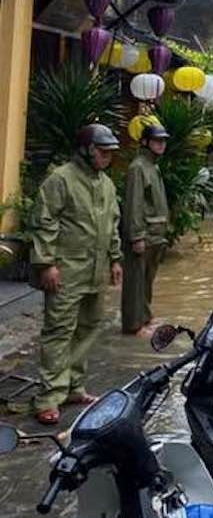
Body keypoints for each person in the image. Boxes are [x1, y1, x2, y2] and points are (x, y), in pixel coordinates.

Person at [30, 124, 123, 425]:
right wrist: (46, 263)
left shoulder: (106, 184)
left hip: (95, 270)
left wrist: (115, 259)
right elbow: (45, 222)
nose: (107, 157)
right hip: (67, 269)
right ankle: (48, 397)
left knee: (88, 328)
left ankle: (73, 387)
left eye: (110, 152)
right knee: (59, 332)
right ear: (86, 149)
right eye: (103, 151)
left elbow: (112, 224)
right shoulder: (61, 179)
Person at [122, 121, 170, 337]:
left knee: (147, 279)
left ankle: (145, 315)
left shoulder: (153, 166)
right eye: (157, 141)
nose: (161, 145)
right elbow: (134, 203)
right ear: (145, 142)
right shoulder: (138, 167)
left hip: (156, 233)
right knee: (136, 281)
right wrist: (136, 236)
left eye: (163, 141)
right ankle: (134, 324)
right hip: (144, 233)